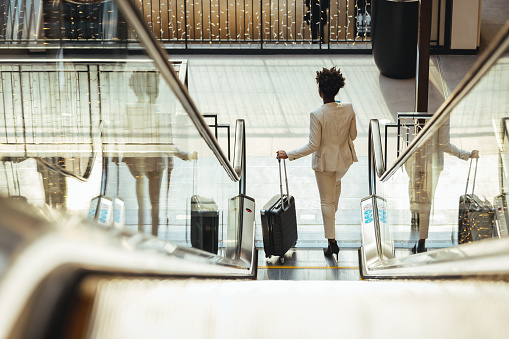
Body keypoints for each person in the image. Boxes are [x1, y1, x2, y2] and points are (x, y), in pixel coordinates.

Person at [276, 67, 357, 258]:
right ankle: (332, 224)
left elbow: (313, 145)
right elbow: (353, 135)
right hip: (344, 162)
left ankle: (332, 242)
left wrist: (288, 154)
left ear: (320, 91)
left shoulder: (317, 114)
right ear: (338, 89)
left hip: (325, 165)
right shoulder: (349, 109)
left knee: (326, 202)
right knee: (336, 186)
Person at [406, 118, 479, 253]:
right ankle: (421, 242)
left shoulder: (412, 99)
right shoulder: (443, 109)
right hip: (431, 163)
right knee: (426, 202)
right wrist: (466, 154)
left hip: (412, 159)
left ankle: (414, 220)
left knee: (414, 191)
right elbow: (444, 145)